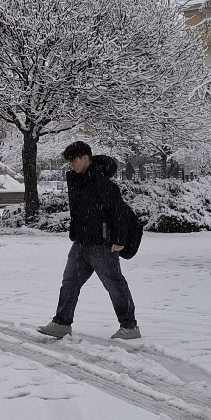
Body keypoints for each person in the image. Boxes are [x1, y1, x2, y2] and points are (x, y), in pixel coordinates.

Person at [39, 141, 141, 341]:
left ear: (85, 158)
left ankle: (129, 327)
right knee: (69, 281)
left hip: (102, 244)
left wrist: (119, 240)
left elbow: (119, 211)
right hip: (81, 242)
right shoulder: (76, 180)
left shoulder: (102, 183)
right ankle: (61, 323)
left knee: (114, 284)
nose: (70, 165)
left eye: (72, 160)